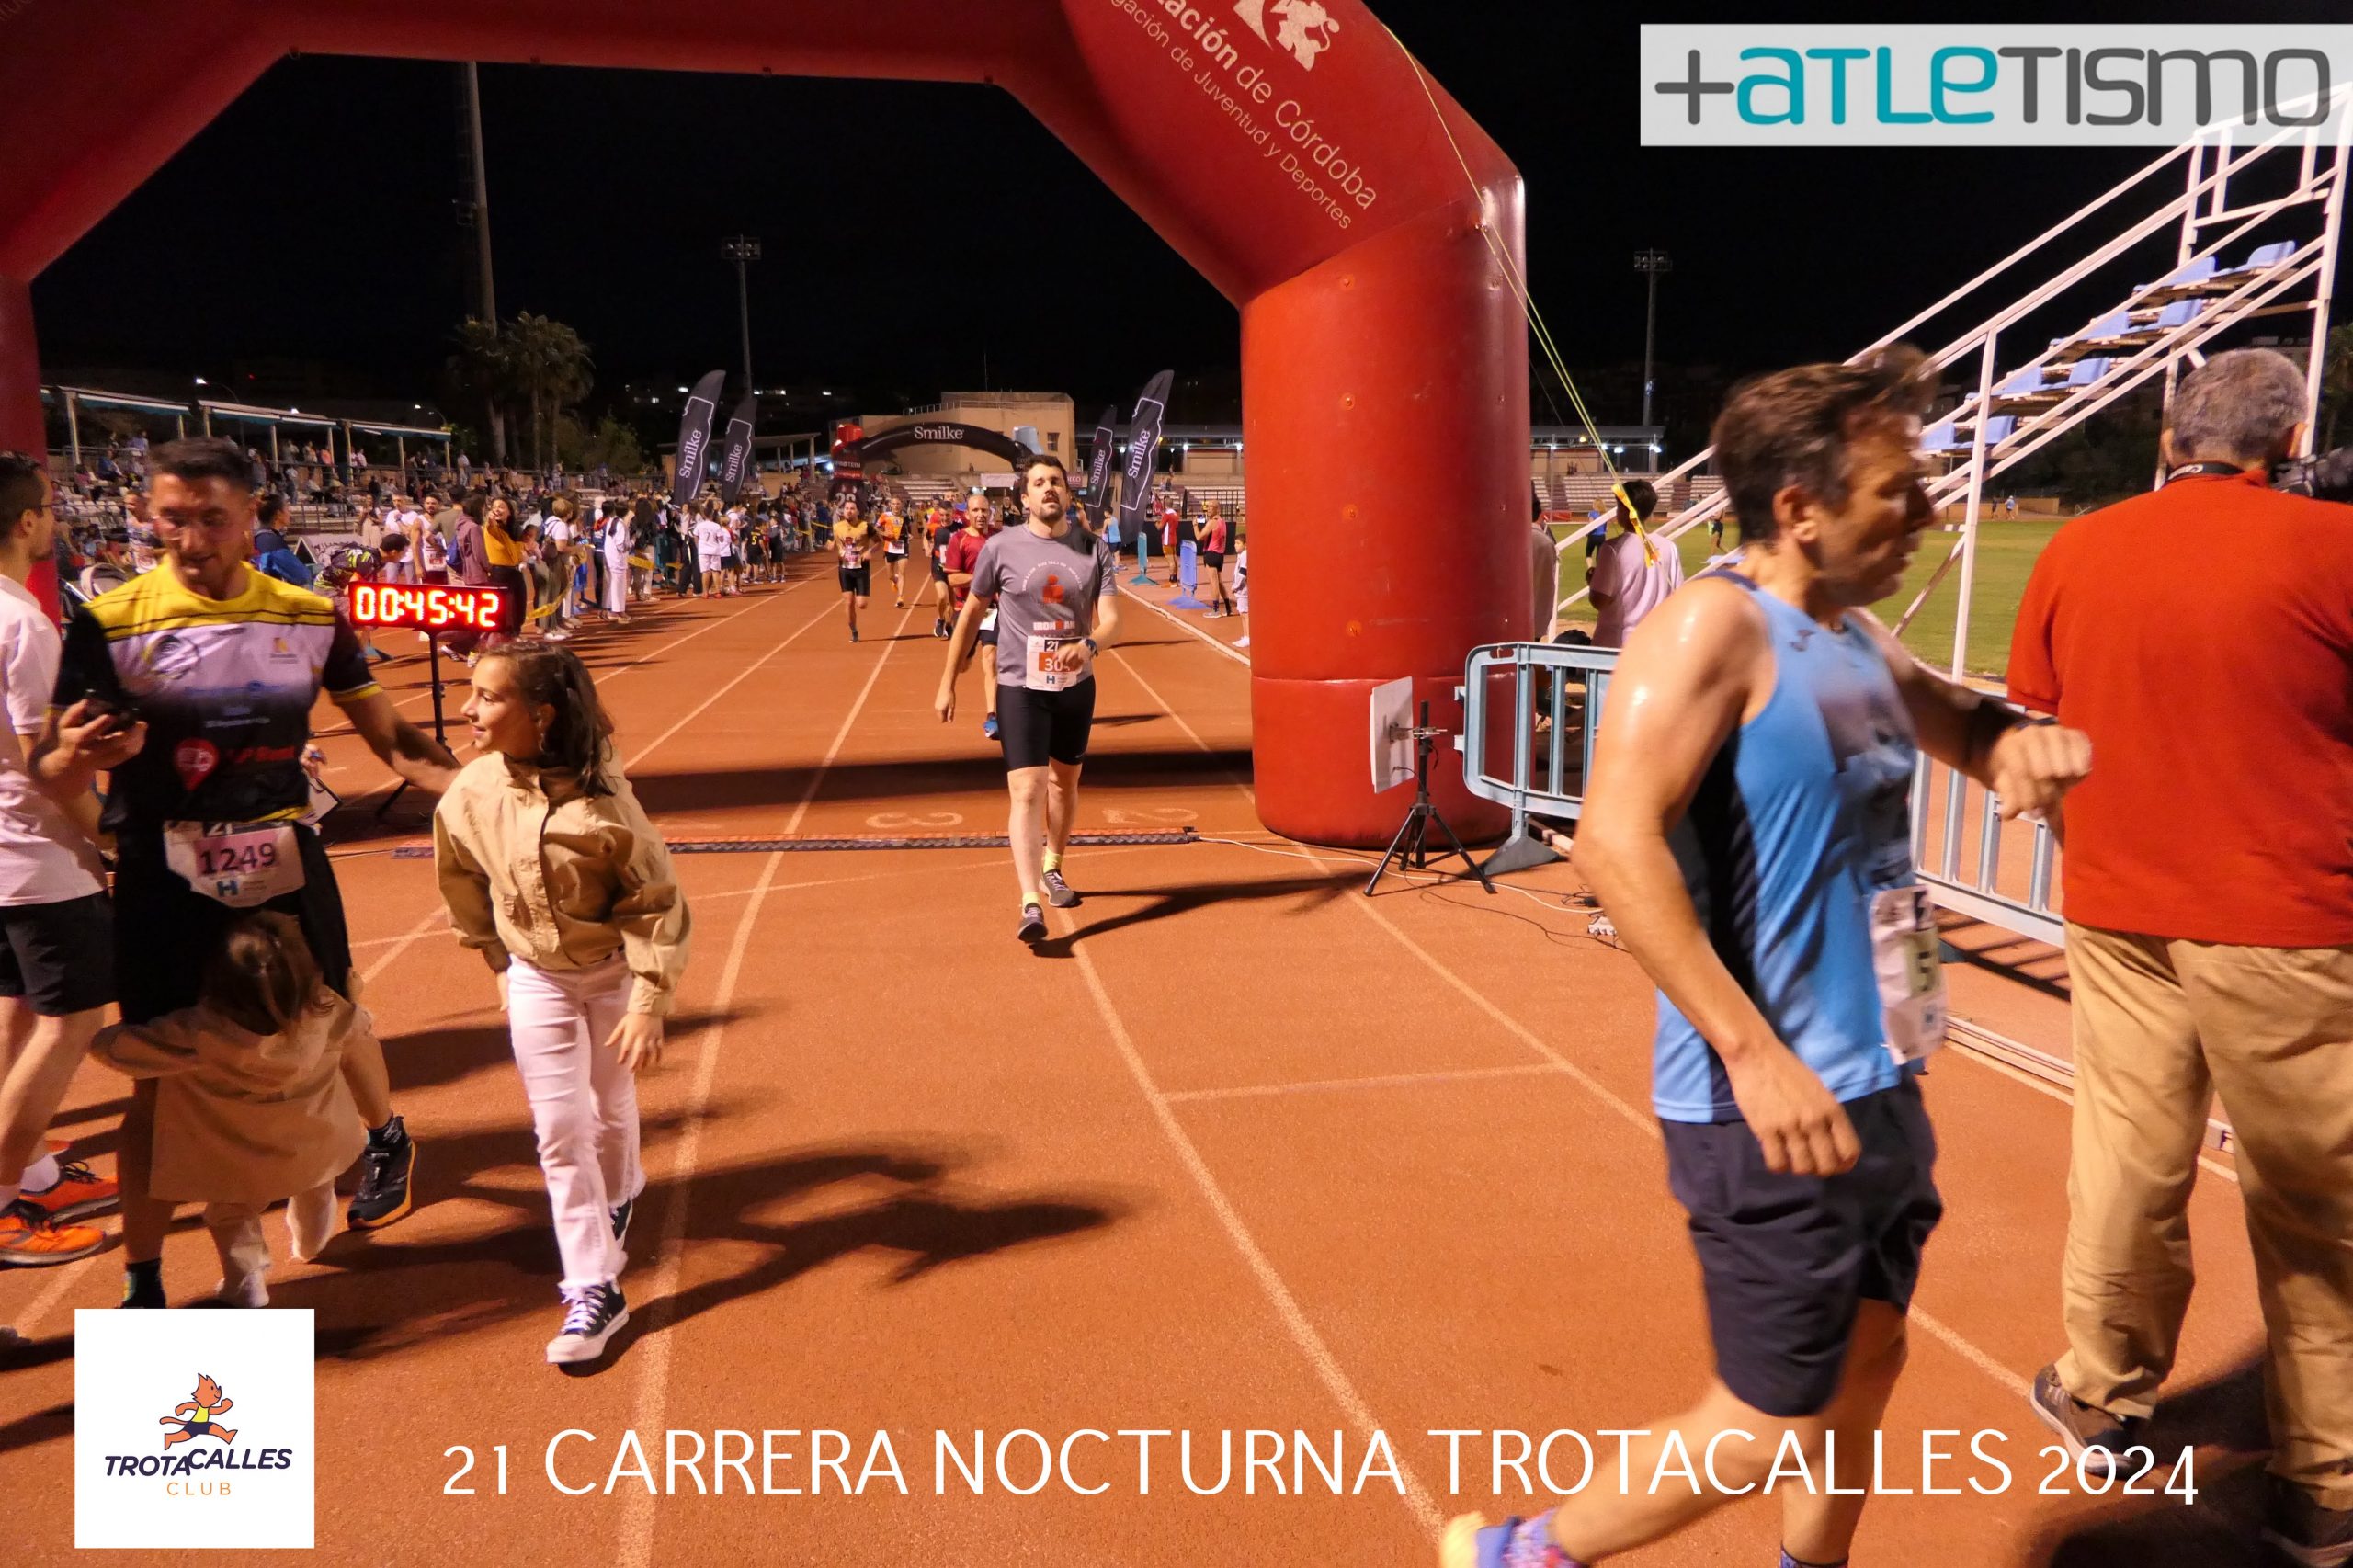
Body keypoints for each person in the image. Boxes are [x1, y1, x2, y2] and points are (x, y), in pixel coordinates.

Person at [1444, 349, 2091, 1568]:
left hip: (1880, 1076)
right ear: (1799, 506)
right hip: (1764, 1103)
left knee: (1870, 1360)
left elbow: (1962, 723)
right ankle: (1513, 1553)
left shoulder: (1849, 636)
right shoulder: (1713, 627)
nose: (1927, 512)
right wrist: (1751, 1053)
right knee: (1762, 1422)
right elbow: (1613, 839)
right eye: (1896, 489)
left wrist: (2020, 743)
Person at [2006, 347, 2353, 1567]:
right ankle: (2324, 1482)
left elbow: (2035, 717)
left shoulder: (2078, 547)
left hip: (2114, 905)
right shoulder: (2331, 545)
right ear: (2288, 440)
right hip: (2289, 918)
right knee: (2312, 1205)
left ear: (2171, 439)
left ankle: (2104, 1389)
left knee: (2124, 1157)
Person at [32, 437, 460, 1307]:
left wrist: (486, 787)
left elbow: (391, 737)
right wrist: (74, 764)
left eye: (212, 520)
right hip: (164, 870)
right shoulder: (112, 621)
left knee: (333, 1013)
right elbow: (48, 763)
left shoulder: (307, 615)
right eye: (170, 520)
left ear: (253, 516)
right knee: (161, 1077)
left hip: (280, 854)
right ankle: (145, 1280)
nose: (190, 540)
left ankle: (385, 1137)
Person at [433, 644, 688, 1365]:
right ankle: (594, 1287)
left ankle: (624, 1185)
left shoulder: (605, 804)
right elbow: (459, 876)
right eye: (471, 692)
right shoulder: (471, 791)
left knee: (610, 1103)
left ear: (540, 715)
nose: (467, 709)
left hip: (610, 974)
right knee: (559, 1132)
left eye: (488, 697)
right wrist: (496, 959)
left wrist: (648, 1000)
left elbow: (655, 901)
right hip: (536, 977)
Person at [87, 913, 369, 1306]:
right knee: (317, 1181)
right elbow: (361, 1024)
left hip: (236, 1162)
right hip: (317, 1145)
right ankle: (310, 1242)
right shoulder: (328, 1012)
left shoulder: (194, 1032)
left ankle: (246, 1282)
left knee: (230, 1212)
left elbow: (111, 1049)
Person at [0, 455, 118, 1267]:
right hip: (37, 854)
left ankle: (33, 1172)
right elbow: (49, 762)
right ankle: (3, 1200)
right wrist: (109, 836)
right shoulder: (24, 623)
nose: (56, 517)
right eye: (47, 506)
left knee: (17, 1010)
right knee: (72, 1021)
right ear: (25, 522)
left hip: (4, 856)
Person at [935, 455, 1124, 944]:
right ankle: (1029, 901)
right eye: (1038, 483)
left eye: (1055, 481)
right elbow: (971, 614)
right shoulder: (1001, 547)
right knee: (1026, 789)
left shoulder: (1093, 548)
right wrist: (948, 680)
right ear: (1024, 498)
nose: (1048, 489)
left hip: (1075, 688)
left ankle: (1053, 866)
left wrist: (1090, 645)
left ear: (1068, 492)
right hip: (1020, 686)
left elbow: (1111, 620)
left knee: (1064, 785)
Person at [1586, 478, 1682, 648]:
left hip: (1618, 646)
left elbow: (1599, 600)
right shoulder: (1669, 547)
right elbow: (1677, 595)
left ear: (1625, 510)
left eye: (1619, 507)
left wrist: (1592, 581)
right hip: (1657, 643)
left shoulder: (1612, 548)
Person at [941, 500, 1000, 736]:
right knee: (963, 665)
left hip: (992, 608)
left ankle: (992, 716)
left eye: (984, 510)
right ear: (967, 514)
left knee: (991, 657)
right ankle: (968, 653)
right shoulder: (959, 539)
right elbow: (952, 579)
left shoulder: (998, 537)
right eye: (975, 510)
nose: (980, 514)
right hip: (965, 609)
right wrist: (980, 578)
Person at [833, 498, 876, 643]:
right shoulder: (837, 527)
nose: (849, 511)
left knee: (862, 604)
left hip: (861, 568)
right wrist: (834, 549)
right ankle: (854, 630)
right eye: (847, 508)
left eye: (852, 509)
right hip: (845, 568)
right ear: (843, 511)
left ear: (857, 511)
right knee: (848, 601)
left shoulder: (866, 526)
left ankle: (855, 623)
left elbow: (879, 542)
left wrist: (870, 551)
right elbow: (834, 543)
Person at [1199, 499, 1236, 618]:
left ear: (1217, 509)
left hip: (1211, 554)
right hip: (1220, 555)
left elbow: (1199, 537)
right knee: (1219, 582)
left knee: (1213, 583)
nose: (1208, 509)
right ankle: (1228, 608)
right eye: (1208, 507)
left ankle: (1215, 610)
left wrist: (1194, 526)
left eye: (1211, 507)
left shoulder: (1212, 522)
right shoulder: (1222, 522)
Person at [692, 506, 731, 602]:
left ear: (704, 515)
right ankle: (717, 591)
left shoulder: (700, 525)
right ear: (712, 515)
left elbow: (695, 536)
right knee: (715, 571)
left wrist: (698, 546)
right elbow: (721, 539)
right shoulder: (716, 526)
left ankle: (705, 592)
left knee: (705, 572)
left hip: (703, 550)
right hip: (714, 550)